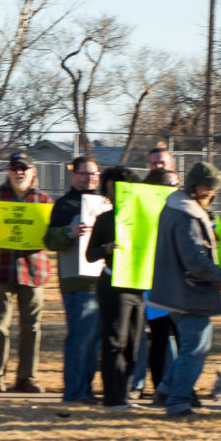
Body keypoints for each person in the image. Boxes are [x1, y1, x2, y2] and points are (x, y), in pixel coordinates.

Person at [151, 161, 221, 418]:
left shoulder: (179, 207)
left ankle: (166, 390)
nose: (211, 193)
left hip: (178, 291)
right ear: (194, 186)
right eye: (208, 188)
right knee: (195, 348)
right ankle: (178, 403)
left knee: (196, 345)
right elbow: (194, 260)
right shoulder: (185, 213)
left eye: (214, 189)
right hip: (187, 293)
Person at [0, 152, 51, 393]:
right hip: (2, 268)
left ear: (33, 171)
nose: (19, 172)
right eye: (15, 168)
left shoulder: (43, 200)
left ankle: (27, 377)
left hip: (33, 270)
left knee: (32, 327)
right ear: (8, 171)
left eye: (24, 168)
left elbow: (51, 235)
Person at [42, 156, 104, 403]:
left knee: (93, 342)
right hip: (76, 281)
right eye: (84, 173)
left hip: (101, 280)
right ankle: (74, 392)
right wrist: (70, 232)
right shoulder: (64, 205)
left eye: (94, 173)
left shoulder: (104, 203)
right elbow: (49, 240)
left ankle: (86, 390)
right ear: (73, 175)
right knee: (80, 339)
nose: (90, 178)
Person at [87, 165, 144, 408]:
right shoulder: (104, 219)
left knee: (134, 346)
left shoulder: (142, 219)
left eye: (118, 189)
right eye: (108, 190)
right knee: (114, 343)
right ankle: (112, 398)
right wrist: (106, 249)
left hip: (137, 286)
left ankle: (125, 394)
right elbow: (90, 254)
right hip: (112, 285)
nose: (113, 194)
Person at [140, 152, 179, 400]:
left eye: (174, 186)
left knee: (183, 337)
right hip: (152, 283)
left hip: (181, 284)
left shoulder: (186, 205)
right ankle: (160, 389)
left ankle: (181, 385)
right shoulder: (141, 206)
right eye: (166, 187)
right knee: (160, 336)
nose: (171, 190)